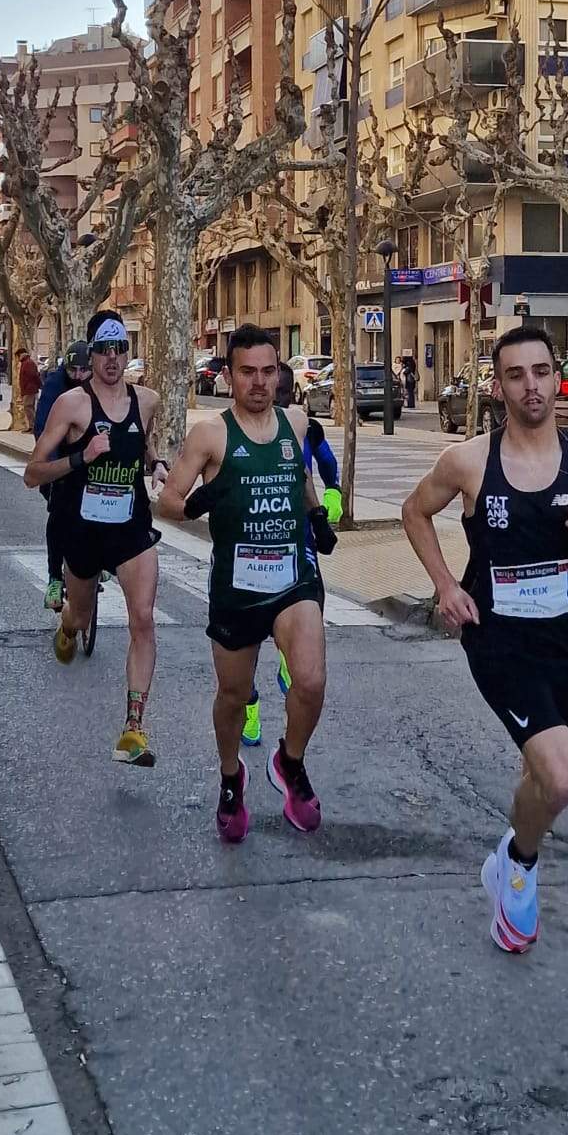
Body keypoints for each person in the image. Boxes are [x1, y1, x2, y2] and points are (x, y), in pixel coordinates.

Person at [401, 325, 568, 956]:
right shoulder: (470, 461)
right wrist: (446, 587)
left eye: (540, 371)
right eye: (515, 375)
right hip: (498, 641)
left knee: (544, 774)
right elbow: (413, 511)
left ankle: (513, 852)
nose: (531, 386)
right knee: (561, 777)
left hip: (566, 642)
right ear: (498, 385)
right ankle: (523, 865)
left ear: (555, 376)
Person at [157, 324, 328, 843]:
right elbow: (164, 503)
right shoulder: (210, 434)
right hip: (236, 583)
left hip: (291, 577)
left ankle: (290, 762)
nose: (260, 382)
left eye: (268, 371)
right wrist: (198, 504)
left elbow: (300, 477)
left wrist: (316, 514)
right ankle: (231, 775)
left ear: (280, 373)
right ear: (230, 376)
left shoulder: (294, 422)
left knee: (312, 680)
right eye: (248, 372)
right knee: (233, 695)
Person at [24, 316, 165, 766]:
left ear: (127, 353)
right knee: (81, 614)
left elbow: (143, 440)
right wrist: (82, 456)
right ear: (92, 354)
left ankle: (134, 728)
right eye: (103, 350)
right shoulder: (71, 405)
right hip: (81, 528)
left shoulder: (147, 400)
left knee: (142, 618)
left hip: (129, 527)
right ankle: (67, 626)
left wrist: (157, 463)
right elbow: (32, 473)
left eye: (119, 348)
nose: (111, 358)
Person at [241, 364, 344, 749]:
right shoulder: (239, 430)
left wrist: (331, 498)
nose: (280, 402)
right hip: (251, 546)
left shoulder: (305, 428)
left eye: (282, 392)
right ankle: (249, 704)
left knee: (311, 602)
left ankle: (290, 655)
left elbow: (329, 466)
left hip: (298, 541)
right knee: (246, 637)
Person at [34, 339, 93, 611]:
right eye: (74, 371)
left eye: (85, 370)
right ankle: (54, 578)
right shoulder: (55, 387)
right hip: (59, 458)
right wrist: (56, 468)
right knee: (59, 514)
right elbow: (43, 430)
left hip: (91, 458)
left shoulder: (98, 387)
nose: (79, 376)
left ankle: (98, 559)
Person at [14, 348, 41, 433]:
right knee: (29, 407)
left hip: (29, 389)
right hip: (28, 389)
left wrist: (39, 385)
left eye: (18, 356)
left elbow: (34, 376)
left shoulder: (28, 363)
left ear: (21, 355)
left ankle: (33, 426)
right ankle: (31, 426)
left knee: (28, 407)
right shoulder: (26, 363)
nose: (17, 359)